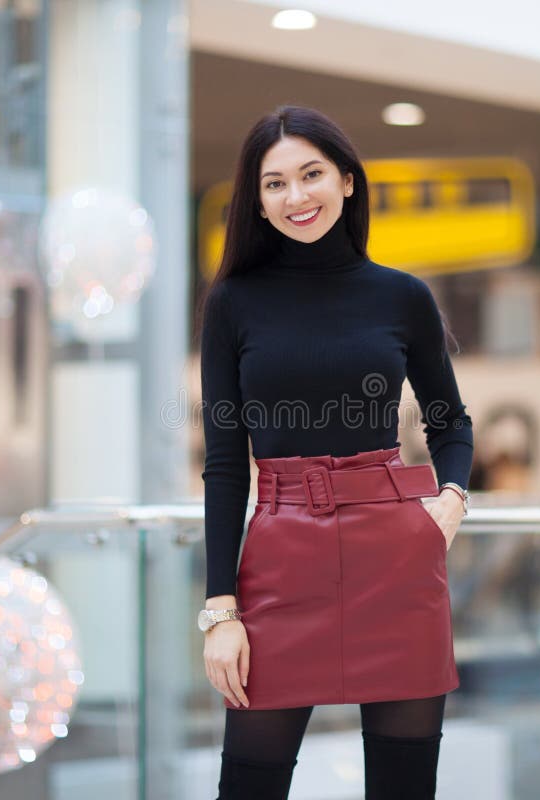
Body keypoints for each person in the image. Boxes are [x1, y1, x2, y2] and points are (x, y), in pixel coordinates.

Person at [197, 105, 473, 800]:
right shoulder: (232, 301)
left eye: (312, 174)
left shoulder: (403, 296)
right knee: (248, 787)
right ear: (256, 201)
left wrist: (451, 497)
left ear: (347, 181)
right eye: (275, 183)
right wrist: (220, 612)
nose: (297, 197)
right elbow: (227, 463)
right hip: (281, 563)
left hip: (397, 560)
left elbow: (450, 421)